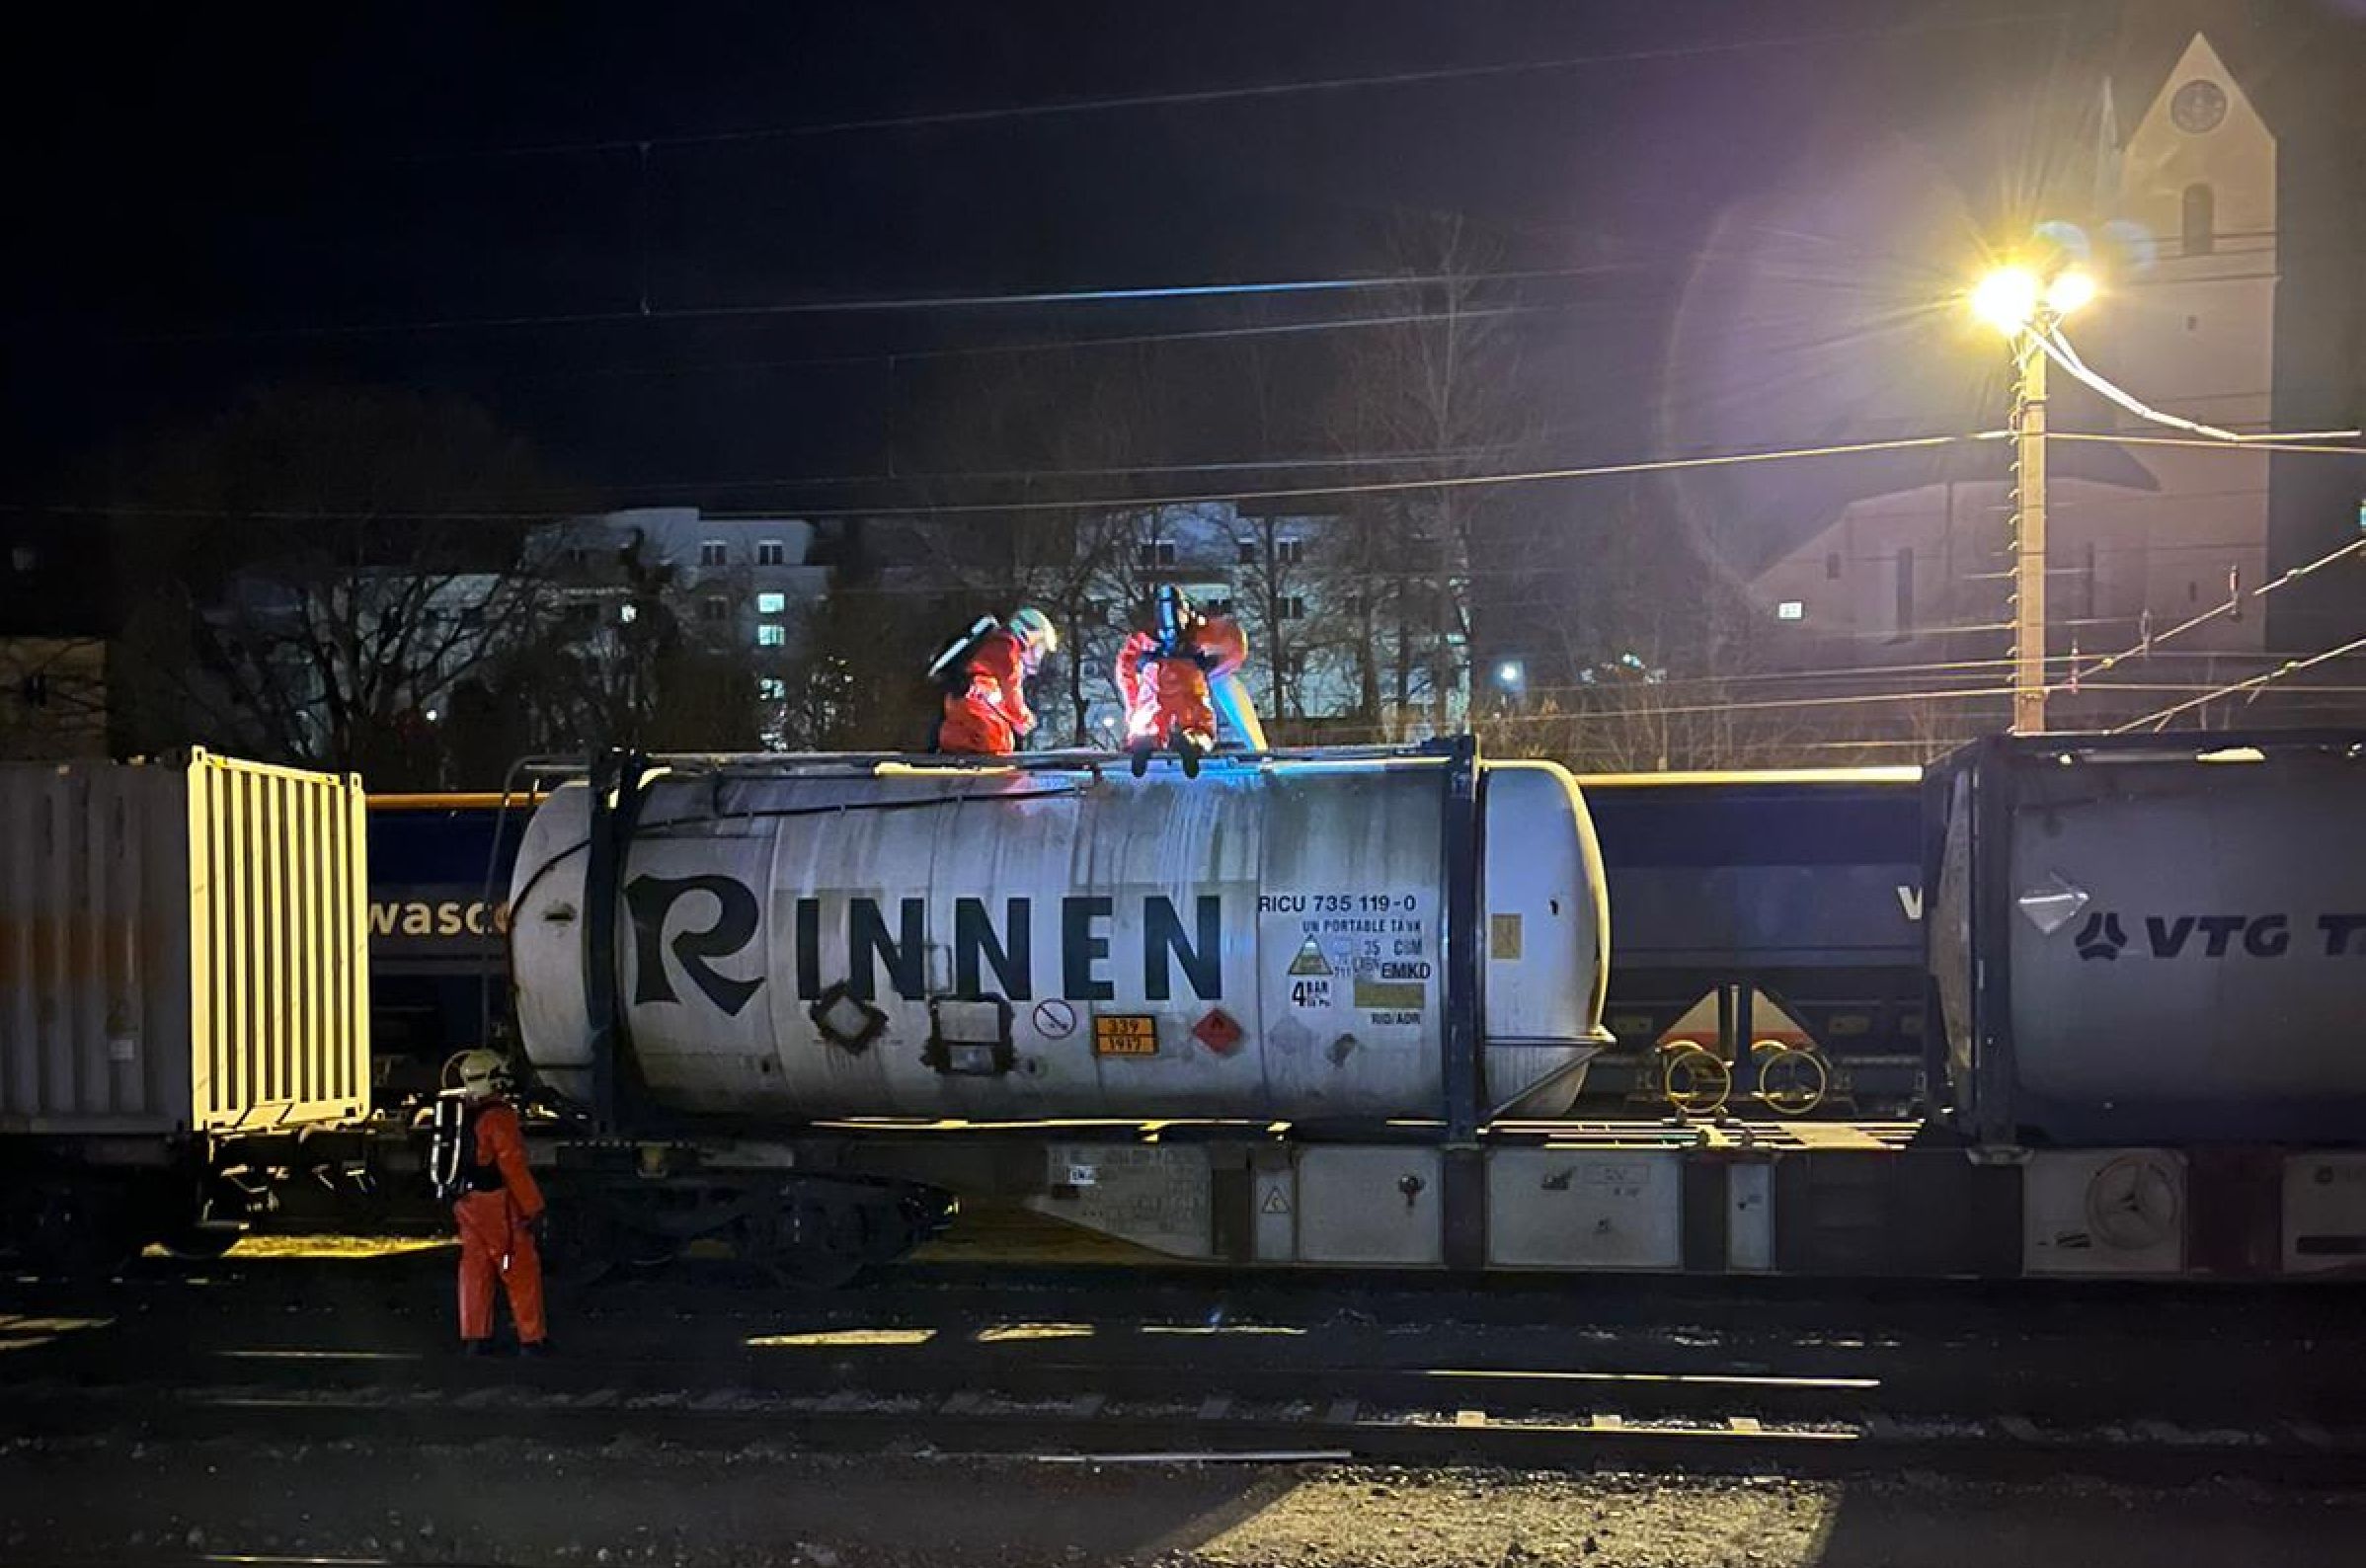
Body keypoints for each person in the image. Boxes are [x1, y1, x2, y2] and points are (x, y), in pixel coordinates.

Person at [441, 1050, 549, 1357]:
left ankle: (475, 1337)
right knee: (515, 1265)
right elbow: (512, 1167)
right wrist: (534, 1208)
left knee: (475, 1267)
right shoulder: (498, 1118)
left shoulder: (462, 1112)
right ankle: (532, 1339)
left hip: (466, 1203)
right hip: (497, 1205)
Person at [1115, 588, 1249, 778]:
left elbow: (1125, 669)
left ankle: (1145, 742)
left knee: (1150, 724)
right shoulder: (1200, 633)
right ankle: (1191, 740)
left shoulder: (1144, 640)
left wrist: (1133, 703)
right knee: (1199, 725)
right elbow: (1236, 645)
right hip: (1188, 685)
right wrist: (1216, 668)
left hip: (1157, 686)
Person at [929, 606, 1059, 756]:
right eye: (1038, 646)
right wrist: (1023, 718)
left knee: (972, 730)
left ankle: (954, 750)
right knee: (1000, 740)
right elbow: (1011, 691)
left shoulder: (992, 643)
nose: (1037, 656)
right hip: (976, 703)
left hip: (961, 698)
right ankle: (967, 753)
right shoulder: (1008, 650)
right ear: (1028, 635)